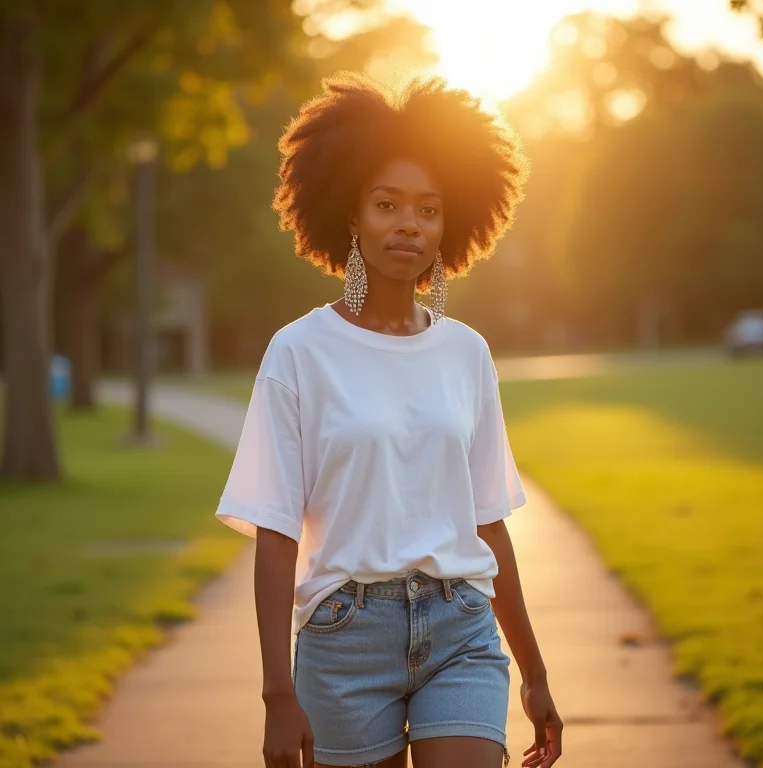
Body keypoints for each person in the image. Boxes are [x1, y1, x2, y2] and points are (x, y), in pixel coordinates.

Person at [215, 72, 563, 768]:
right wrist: (276, 695)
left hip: (460, 626)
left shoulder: (467, 353)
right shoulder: (299, 352)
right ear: (351, 215)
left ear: (450, 225)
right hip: (345, 639)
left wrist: (536, 672)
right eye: (387, 204)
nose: (409, 223)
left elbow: (488, 521)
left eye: (429, 210)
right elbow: (276, 529)